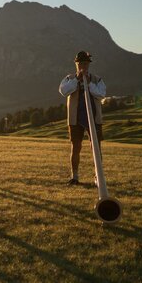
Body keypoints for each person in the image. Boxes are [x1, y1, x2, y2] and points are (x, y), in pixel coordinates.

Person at [59, 51, 106, 185]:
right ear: (76, 64)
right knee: (75, 146)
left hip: (94, 117)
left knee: (96, 147)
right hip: (75, 118)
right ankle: (75, 176)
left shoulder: (97, 79)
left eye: (85, 64)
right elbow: (64, 91)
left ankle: (98, 176)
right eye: (80, 64)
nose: (83, 67)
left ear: (89, 65)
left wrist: (89, 83)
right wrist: (77, 79)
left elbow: (101, 94)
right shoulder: (69, 78)